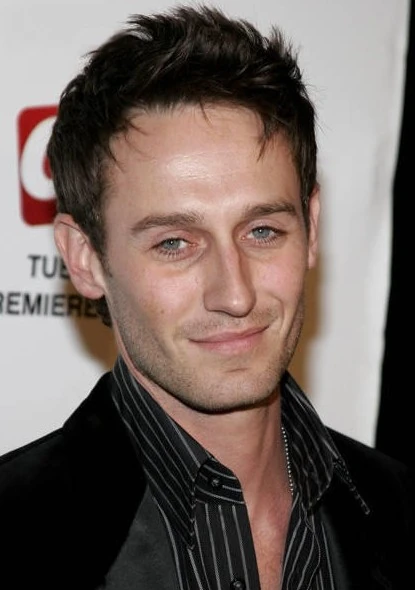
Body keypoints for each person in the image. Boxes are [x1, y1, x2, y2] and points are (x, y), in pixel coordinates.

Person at [0, 4, 412, 589]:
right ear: (85, 258)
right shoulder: (15, 535)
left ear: (312, 227)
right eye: (174, 243)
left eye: (262, 231)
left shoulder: (401, 512)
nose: (235, 294)